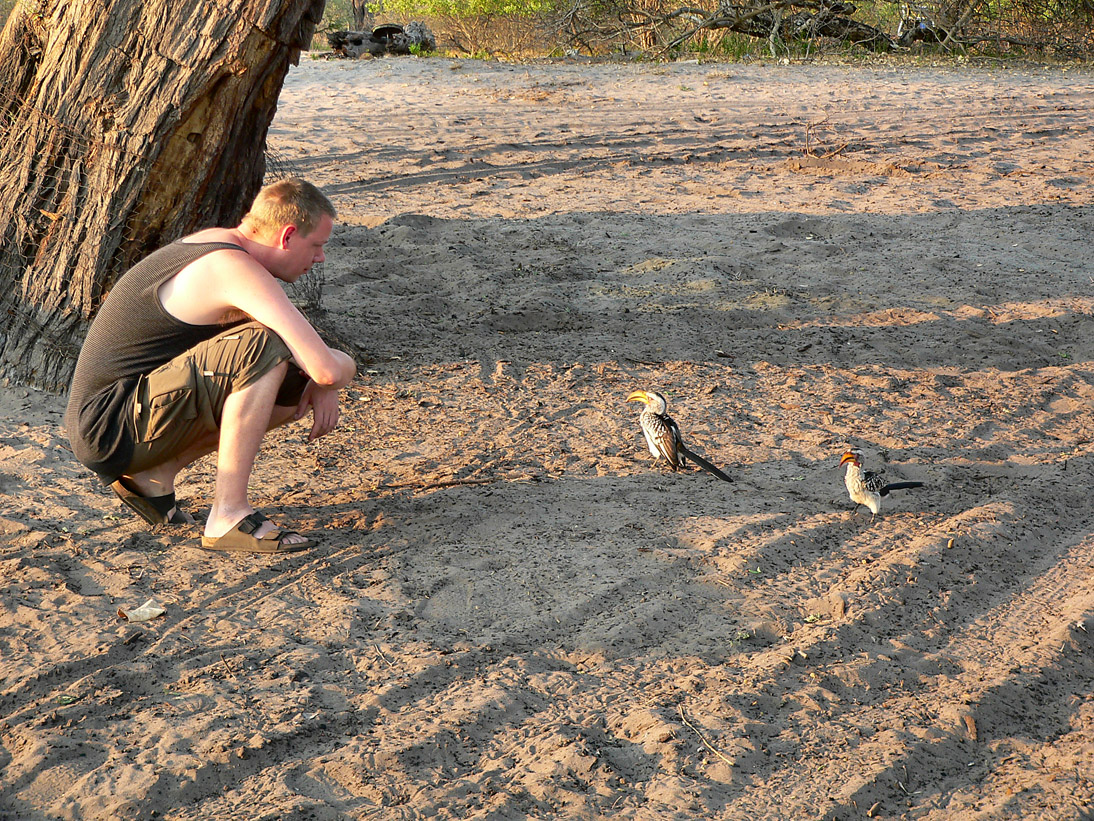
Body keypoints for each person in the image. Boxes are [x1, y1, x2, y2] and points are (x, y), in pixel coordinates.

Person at [64, 178, 356, 553]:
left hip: (119, 419)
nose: (320, 258)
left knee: (289, 370)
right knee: (263, 345)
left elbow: (313, 359)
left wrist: (320, 376)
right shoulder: (230, 266)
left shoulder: (221, 243)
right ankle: (229, 515)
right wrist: (329, 379)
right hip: (108, 424)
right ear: (286, 236)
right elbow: (327, 368)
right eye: (316, 245)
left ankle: (153, 474)